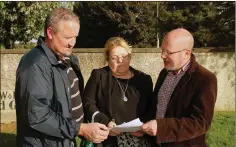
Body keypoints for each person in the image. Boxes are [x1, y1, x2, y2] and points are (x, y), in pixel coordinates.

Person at [15, 8, 109, 147]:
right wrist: (80, 129)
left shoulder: (68, 59)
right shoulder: (35, 65)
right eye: (67, 37)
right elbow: (38, 116)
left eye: (75, 36)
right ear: (50, 32)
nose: (73, 43)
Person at [141, 28, 217, 146]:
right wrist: (143, 126)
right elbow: (157, 106)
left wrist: (161, 128)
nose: (162, 55)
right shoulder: (165, 72)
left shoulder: (205, 79)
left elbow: (201, 123)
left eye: (168, 52)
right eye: (162, 50)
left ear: (186, 53)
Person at [82, 37, 156, 147]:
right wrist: (105, 122)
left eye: (124, 57)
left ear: (130, 57)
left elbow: (152, 107)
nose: (120, 61)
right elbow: (88, 103)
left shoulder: (144, 79)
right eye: (114, 58)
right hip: (107, 138)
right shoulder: (99, 76)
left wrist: (144, 126)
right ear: (107, 59)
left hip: (139, 139)